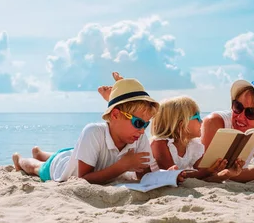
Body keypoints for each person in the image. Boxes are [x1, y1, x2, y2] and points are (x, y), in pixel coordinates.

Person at [12, 78, 160, 184]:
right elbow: (83, 179)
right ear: (115, 115)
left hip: (78, 155)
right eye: (138, 123)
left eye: (146, 125)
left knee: (67, 154)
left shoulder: (137, 137)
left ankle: (40, 153)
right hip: (63, 166)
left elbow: (145, 176)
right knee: (37, 167)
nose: (142, 131)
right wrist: (123, 166)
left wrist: (166, 175)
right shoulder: (93, 132)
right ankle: (21, 159)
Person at [99, 74, 244, 182]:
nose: (202, 121)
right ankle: (115, 98)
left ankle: (116, 96)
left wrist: (222, 171)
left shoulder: (194, 146)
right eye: (197, 118)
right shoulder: (160, 144)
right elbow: (173, 174)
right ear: (181, 125)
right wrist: (207, 171)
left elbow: (202, 174)